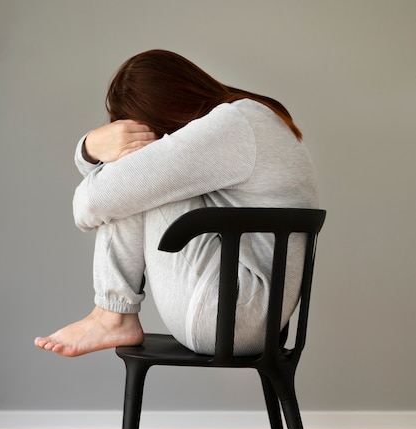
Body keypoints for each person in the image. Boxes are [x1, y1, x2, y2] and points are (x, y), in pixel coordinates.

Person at [34, 49, 318, 357]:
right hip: (250, 316)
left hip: (227, 317)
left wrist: (91, 146)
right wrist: (90, 151)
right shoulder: (248, 119)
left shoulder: (233, 125)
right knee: (135, 179)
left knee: (131, 180)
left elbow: (91, 203)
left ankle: (113, 315)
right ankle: (112, 315)